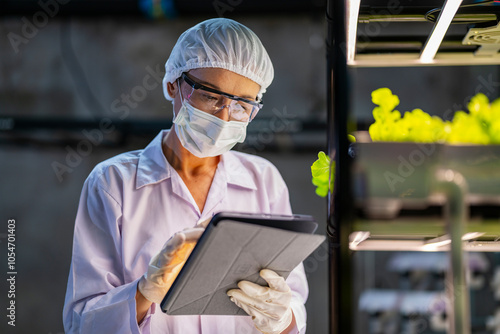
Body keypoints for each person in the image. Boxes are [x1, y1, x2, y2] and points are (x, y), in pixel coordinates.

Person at [63, 18, 308, 334]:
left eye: (242, 105)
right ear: (171, 84)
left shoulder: (264, 182)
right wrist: (145, 291)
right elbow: (82, 323)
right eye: (210, 96)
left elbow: (294, 306)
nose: (223, 116)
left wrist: (281, 317)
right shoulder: (113, 184)